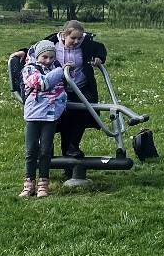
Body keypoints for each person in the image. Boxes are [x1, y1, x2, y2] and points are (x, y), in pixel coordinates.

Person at [11, 20, 107, 157]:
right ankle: (46, 146)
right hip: (58, 87)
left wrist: (99, 57)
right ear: (63, 34)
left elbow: (100, 47)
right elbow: (38, 49)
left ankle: (73, 146)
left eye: (79, 38)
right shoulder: (53, 42)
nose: (76, 41)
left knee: (85, 108)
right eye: (73, 38)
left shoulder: (85, 43)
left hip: (80, 86)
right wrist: (23, 52)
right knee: (57, 115)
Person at [19, 40, 68, 198]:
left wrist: (65, 71)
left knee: (45, 151)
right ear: (38, 55)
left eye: (51, 57)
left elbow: (63, 86)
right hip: (33, 114)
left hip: (50, 115)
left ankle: (43, 185)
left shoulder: (55, 68)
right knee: (31, 150)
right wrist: (61, 70)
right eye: (44, 57)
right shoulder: (29, 69)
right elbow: (42, 83)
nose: (48, 60)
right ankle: (28, 184)